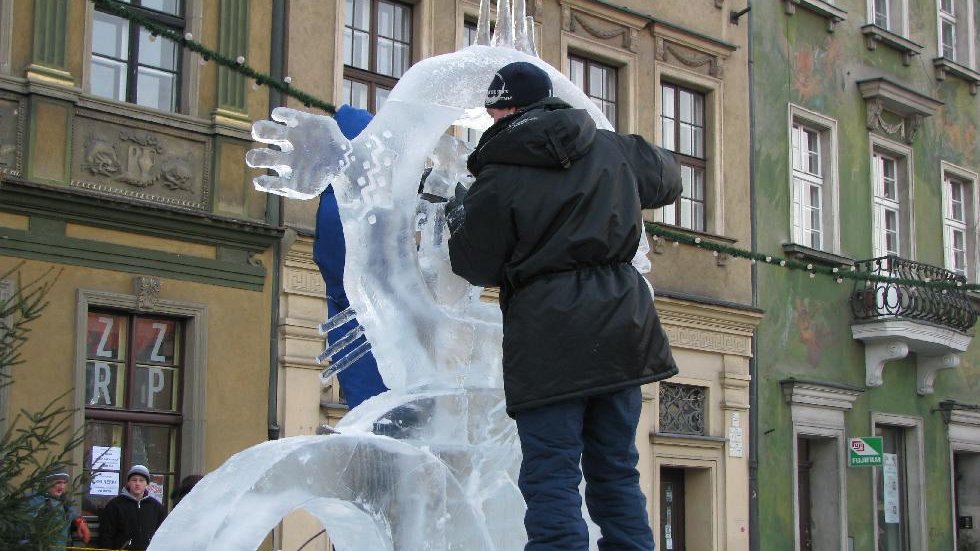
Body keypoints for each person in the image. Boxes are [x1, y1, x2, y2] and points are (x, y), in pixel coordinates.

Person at [447, 61, 682, 551]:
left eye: (495, 111)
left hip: (549, 333)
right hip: (623, 327)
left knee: (551, 474)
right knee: (616, 468)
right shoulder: (611, 147)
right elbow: (670, 180)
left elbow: (476, 265)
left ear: (507, 109)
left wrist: (456, 216)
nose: (491, 120)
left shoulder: (500, 173)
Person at [98, 464, 166, 550]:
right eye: (134, 480)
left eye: (141, 480)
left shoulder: (156, 507)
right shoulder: (115, 505)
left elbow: (163, 534)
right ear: (128, 483)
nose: (137, 483)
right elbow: (106, 535)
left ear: (147, 484)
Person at [24, 465, 90, 549]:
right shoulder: (33, 501)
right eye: (58, 482)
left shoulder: (63, 501)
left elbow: (73, 515)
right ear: (47, 482)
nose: (62, 487)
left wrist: (80, 522)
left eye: (64, 482)